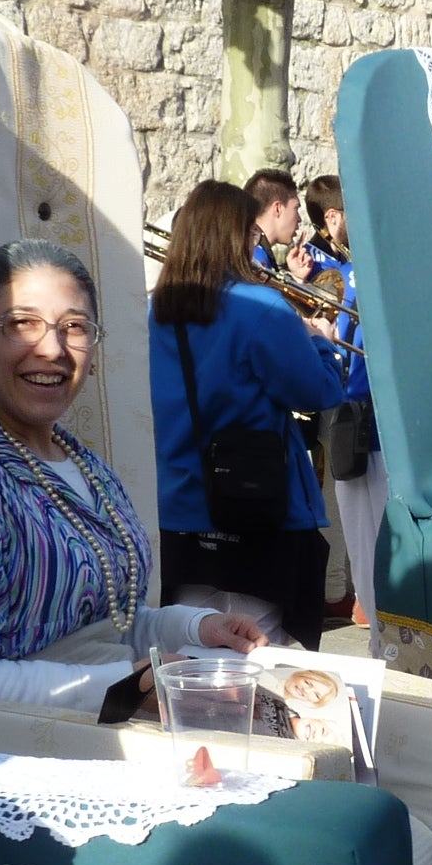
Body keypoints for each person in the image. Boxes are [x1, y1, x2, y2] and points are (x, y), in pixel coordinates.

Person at [0, 239, 266, 714]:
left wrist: (195, 627)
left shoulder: (88, 469)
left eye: (74, 327)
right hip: (42, 745)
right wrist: (126, 684)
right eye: (22, 323)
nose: (53, 348)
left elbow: (103, 621)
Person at [151, 178, 345, 646]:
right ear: (239, 235)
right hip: (256, 512)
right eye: (254, 235)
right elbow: (317, 392)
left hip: (177, 514)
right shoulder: (261, 308)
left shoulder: (154, 312)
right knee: (259, 667)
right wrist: (319, 342)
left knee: (189, 659)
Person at [302, 173, 386, 631]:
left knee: (366, 536)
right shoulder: (359, 268)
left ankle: (378, 629)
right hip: (363, 416)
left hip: (364, 414)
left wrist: (325, 339)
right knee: (364, 537)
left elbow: (352, 345)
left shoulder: (361, 271)